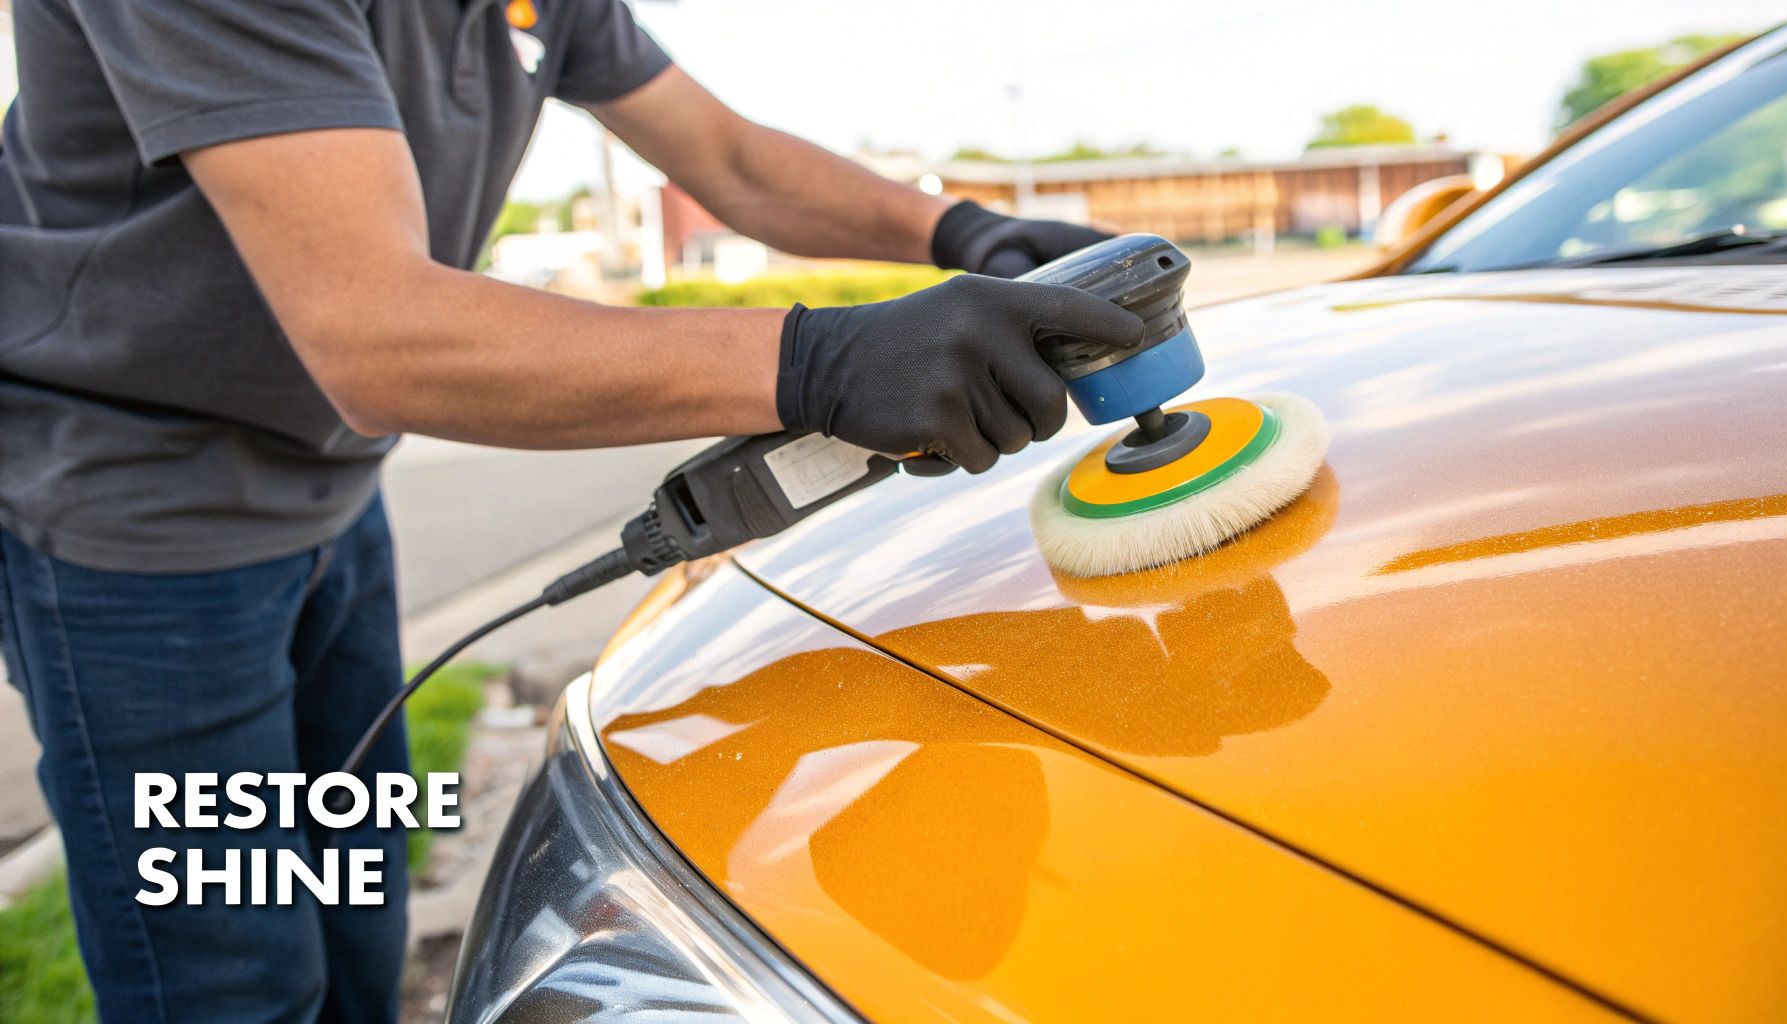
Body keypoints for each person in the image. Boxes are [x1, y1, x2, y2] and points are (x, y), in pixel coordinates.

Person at [0, 0, 1142, 1020]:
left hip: (332, 499)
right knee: (231, 975)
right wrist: (818, 359)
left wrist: (965, 236)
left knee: (356, 917)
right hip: (132, 527)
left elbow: (731, 159)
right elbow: (375, 331)